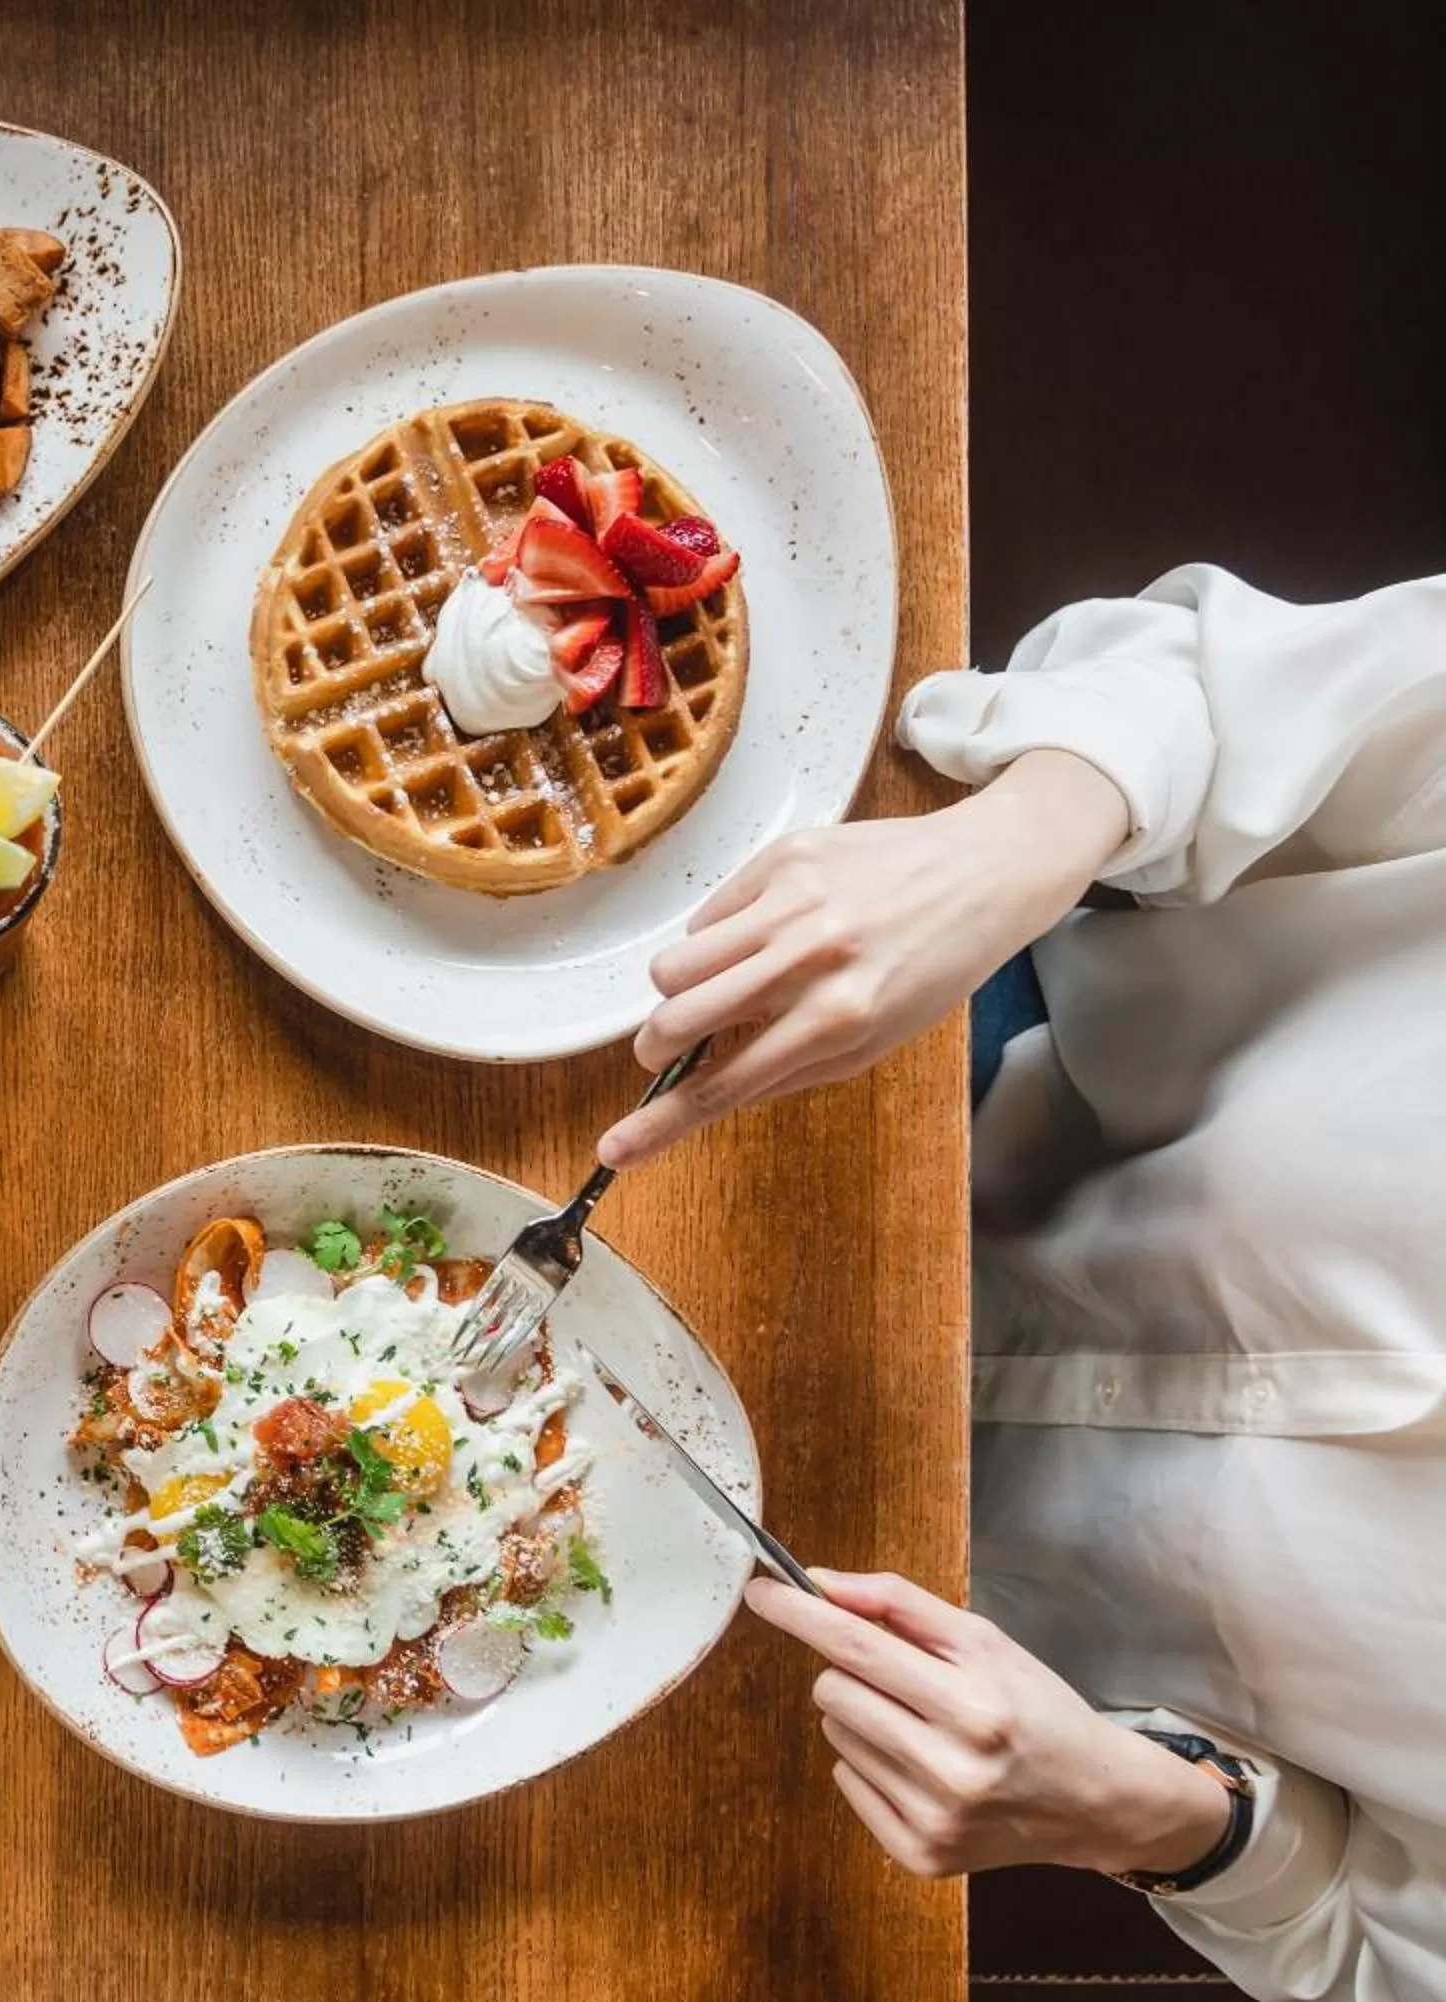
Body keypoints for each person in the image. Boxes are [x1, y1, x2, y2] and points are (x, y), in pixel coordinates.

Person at [599, 564, 1446, 1999]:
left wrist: (1166, 1819)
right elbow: (1218, 692)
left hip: (919, 1648)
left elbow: (1376, 1945)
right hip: (921, 1066)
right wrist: (1021, 837)